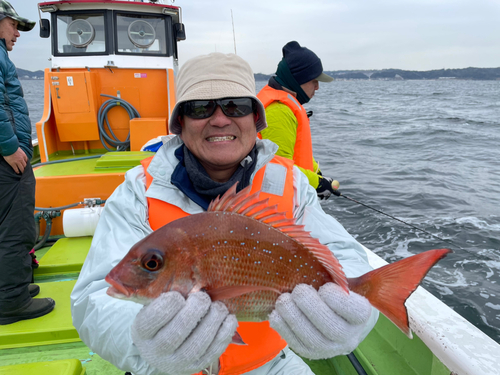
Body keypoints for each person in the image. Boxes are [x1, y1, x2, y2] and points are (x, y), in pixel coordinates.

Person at [71, 52, 378, 375]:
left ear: (255, 119)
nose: (220, 119)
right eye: (200, 107)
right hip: (163, 368)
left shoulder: (290, 183)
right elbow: (93, 300)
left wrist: (355, 315)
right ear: (180, 123)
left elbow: (343, 255)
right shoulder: (138, 189)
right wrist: (141, 342)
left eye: (236, 105)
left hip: (271, 365)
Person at [0, 0, 56, 325]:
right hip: (8, 160)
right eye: (14, 25)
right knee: (16, 227)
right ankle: (12, 300)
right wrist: (10, 147)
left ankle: (12, 286)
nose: (18, 33)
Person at [257, 41, 339, 200]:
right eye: (314, 81)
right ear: (297, 79)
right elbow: (279, 169)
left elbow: (297, 149)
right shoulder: (278, 111)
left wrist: (316, 172)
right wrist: (318, 183)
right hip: (277, 207)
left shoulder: (286, 106)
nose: (317, 87)